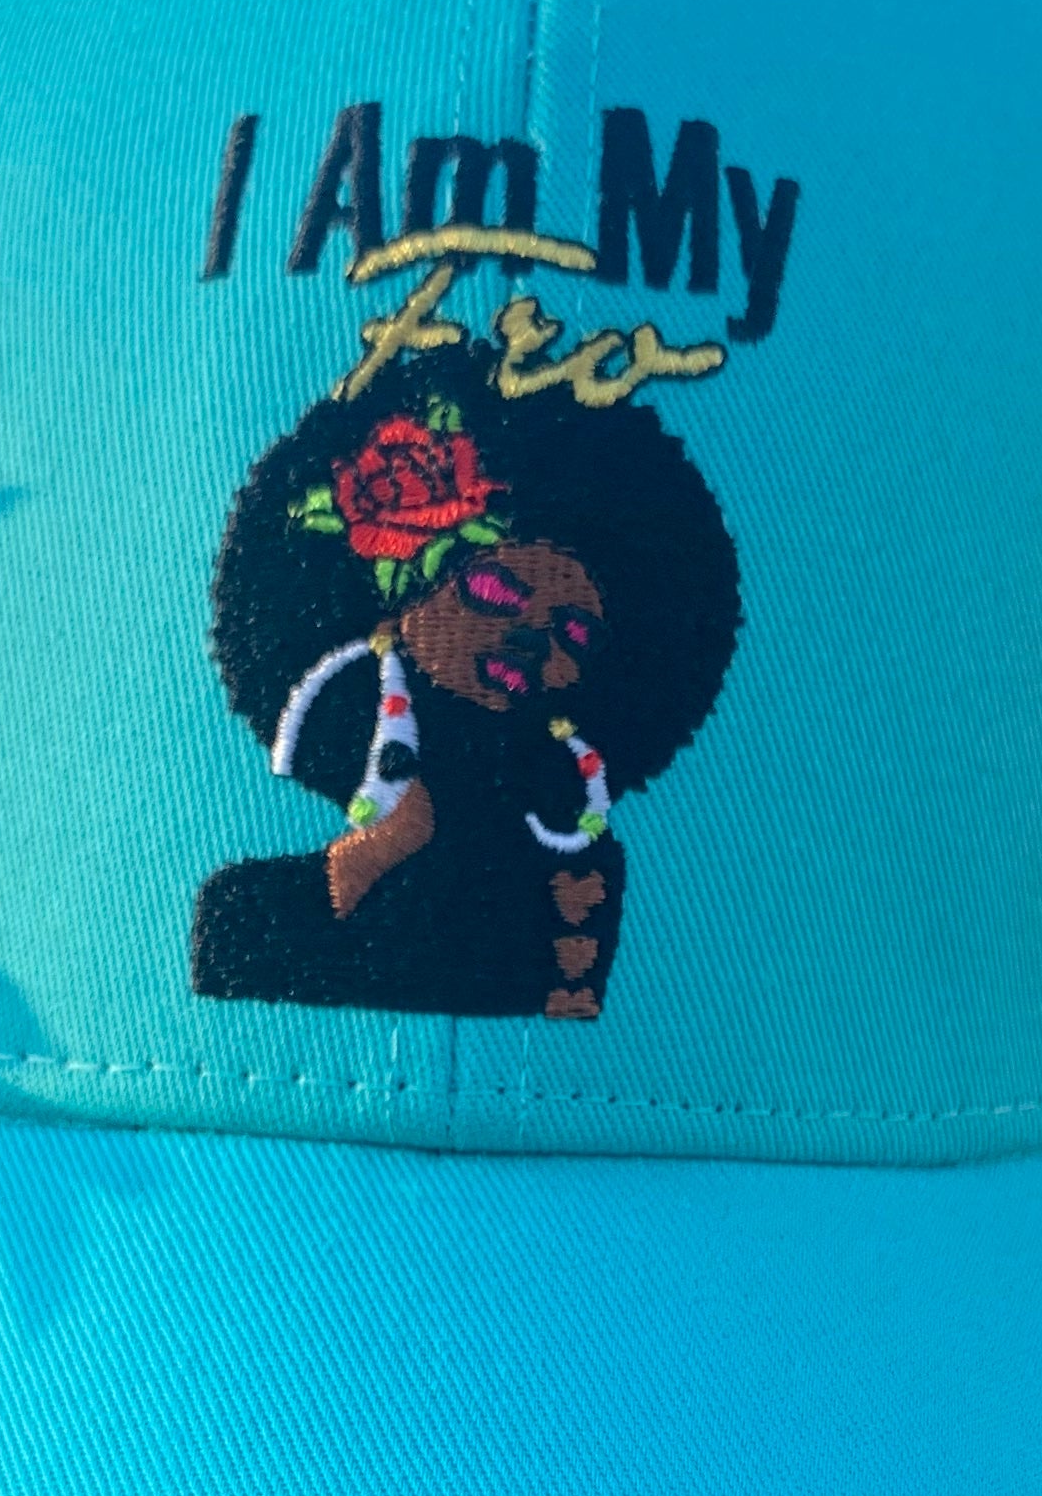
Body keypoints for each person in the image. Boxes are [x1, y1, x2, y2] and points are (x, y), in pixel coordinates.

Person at [195, 330, 741, 1017]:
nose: (528, 641)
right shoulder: (345, 720)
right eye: (495, 594)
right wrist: (372, 857)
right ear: (404, 584)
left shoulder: (566, 839)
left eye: (572, 633)